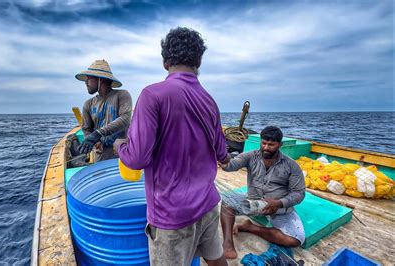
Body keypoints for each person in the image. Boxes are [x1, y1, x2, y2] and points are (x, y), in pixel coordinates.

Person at [114, 27, 230, 266]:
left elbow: (136, 159)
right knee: (216, 260)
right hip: (208, 203)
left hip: (172, 215)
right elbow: (222, 153)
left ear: (165, 62)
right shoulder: (209, 100)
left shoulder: (152, 95)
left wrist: (120, 147)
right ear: (199, 61)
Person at [219, 126, 306, 259]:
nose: (266, 147)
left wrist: (278, 203)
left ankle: (250, 227)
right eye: (264, 143)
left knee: (295, 240)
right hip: (253, 202)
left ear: (280, 145)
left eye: (271, 145)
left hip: (279, 208)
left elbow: (299, 193)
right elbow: (232, 165)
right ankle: (228, 243)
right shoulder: (250, 156)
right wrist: (223, 160)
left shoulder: (291, 165)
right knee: (227, 202)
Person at [74, 59, 132, 162]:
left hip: (123, 156)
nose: (85, 82)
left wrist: (97, 134)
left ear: (101, 79)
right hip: (101, 158)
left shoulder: (122, 95)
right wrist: (95, 142)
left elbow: (125, 119)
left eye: (89, 78)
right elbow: (87, 129)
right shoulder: (88, 104)